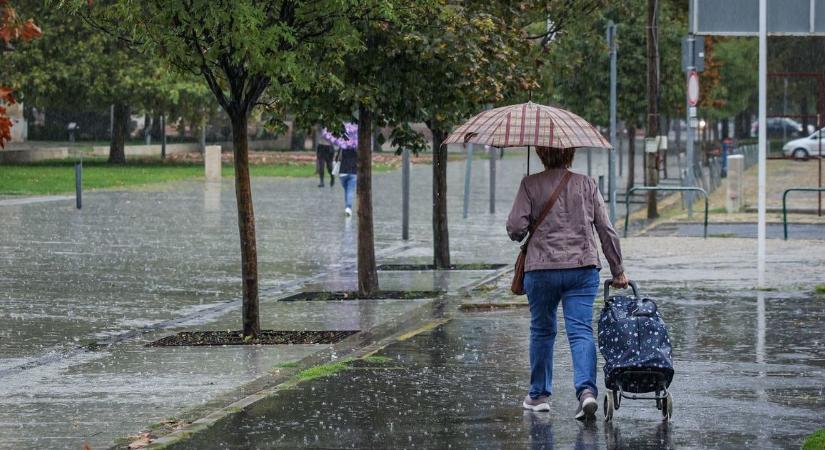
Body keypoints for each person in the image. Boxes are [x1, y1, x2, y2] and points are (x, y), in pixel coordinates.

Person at [506, 146, 628, 421]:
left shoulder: (530, 184)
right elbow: (606, 230)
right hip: (581, 269)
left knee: (542, 330)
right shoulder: (587, 184)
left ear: (539, 153)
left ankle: (538, 396)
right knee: (581, 331)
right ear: (571, 153)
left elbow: (515, 229)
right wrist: (618, 269)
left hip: (542, 270)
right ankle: (586, 393)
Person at [336, 146, 358, 216]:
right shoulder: (356, 146)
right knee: (350, 191)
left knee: (346, 190)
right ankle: (348, 207)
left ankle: (347, 208)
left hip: (342, 172)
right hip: (353, 172)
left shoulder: (342, 146)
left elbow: (337, 158)